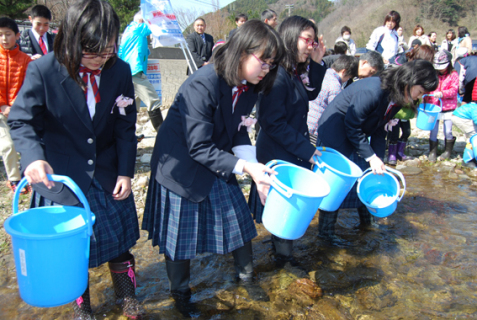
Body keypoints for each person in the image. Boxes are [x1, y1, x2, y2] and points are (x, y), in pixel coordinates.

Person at [8, 1, 144, 319]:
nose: (100, 60)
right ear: (70, 40)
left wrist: (126, 171)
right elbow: (20, 121)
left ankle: (128, 298)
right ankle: (81, 305)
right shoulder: (43, 70)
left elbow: (125, 125)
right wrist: (32, 158)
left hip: (108, 173)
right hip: (61, 177)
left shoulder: (120, 70)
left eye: (107, 50)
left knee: (119, 244)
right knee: (71, 251)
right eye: (91, 53)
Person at [142, 20, 284, 317]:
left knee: (240, 220)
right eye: (263, 60)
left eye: (272, 64)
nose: (266, 69)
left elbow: (239, 130)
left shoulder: (250, 87)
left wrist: (255, 170)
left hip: (217, 157)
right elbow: (197, 147)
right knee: (179, 239)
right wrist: (246, 168)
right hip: (179, 166)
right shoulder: (203, 83)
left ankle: (246, 277)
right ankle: (180, 294)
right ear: (241, 51)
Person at [316, 60, 438, 245]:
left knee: (368, 173)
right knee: (337, 183)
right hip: (336, 133)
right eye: (419, 92)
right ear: (410, 81)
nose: (416, 98)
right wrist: (370, 156)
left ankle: (368, 222)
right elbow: (352, 125)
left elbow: (380, 129)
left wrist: (378, 159)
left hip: (356, 133)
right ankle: (325, 233)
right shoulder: (373, 90)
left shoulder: (396, 96)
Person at [248, 16, 326, 265]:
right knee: (283, 209)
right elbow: (272, 122)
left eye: (314, 41)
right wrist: (307, 150)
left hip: (292, 149)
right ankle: (283, 263)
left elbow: (311, 93)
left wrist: (316, 63)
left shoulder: (293, 71)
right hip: (278, 152)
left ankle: (281, 256)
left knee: (286, 210)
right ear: (291, 37)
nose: (311, 45)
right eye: (308, 40)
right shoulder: (277, 75)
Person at [386, 45, 435, 165]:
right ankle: (391, 154)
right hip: (396, 113)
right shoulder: (404, 71)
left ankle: (400, 152)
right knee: (394, 134)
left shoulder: (420, 77)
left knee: (407, 132)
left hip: (407, 114)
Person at [0, 17, 31, 194]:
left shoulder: (25, 60)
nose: (4, 38)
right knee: (7, 146)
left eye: (8, 34)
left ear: (17, 36)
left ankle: (28, 174)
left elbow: (28, 85)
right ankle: (14, 179)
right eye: (0, 35)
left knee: (25, 143)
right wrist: (3, 105)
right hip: (1, 111)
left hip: (18, 110)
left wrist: (16, 105)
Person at [118, 11, 163, 132]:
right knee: (152, 99)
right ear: (141, 21)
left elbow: (121, 52)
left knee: (132, 103)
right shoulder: (138, 27)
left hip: (128, 70)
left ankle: (129, 133)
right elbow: (154, 26)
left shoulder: (128, 31)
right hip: (135, 71)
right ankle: (162, 132)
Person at [308, 55, 358, 142]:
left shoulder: (322, 73)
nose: (347, 80)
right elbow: (334, 114)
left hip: (306, 122)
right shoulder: (335, 86)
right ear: (343, 71)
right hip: (315, 128)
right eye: (348, 77)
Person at [427, 50, 459, 162]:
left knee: (448, 131)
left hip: (448, 106)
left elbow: (454, 90)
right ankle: (432, 152)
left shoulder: (453, 74)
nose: (440, 69)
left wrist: (443, 93)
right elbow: (429, 87)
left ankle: (447, 151)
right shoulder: (433, 74)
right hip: (434, 106)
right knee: (433, 130)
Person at [452, 103, 477, 168]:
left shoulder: (473, 105)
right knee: (474, 135)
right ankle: (467, 160)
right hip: (460, 119)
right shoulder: (475, 108)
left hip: (459, 116)